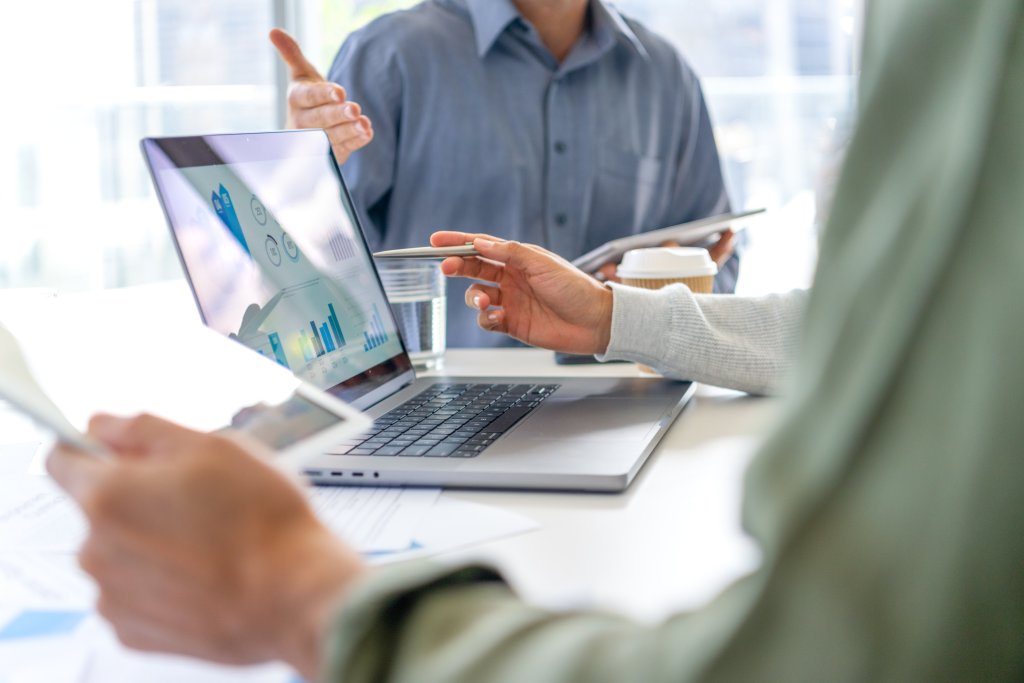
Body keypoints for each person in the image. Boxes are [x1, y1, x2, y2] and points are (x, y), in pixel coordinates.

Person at [48, 0, 1024, 680]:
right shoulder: (394, 52)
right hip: (433, 440)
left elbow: (720, 274)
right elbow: (299, 282)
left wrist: (638, 302)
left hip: (626, 429)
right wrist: (312, 165)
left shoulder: (665, 73)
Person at [269, 0, 739, 348]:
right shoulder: (391, 55)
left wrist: (662, 283)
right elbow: (314, 266)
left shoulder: (665, 74)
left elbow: (722, 263)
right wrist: (303, 160)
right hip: (443, 404)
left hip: (630, 394)